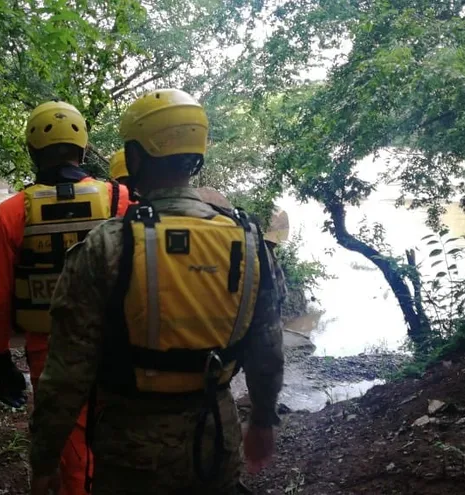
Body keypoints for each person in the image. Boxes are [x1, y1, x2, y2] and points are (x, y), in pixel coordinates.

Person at [29, 89, 285, 495]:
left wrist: (45, 459)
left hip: (132, 451)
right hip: (216, 440)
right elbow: (267, 349)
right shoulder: (250, 241)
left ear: (135, 157)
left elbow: (67, 372)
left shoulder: (108, 245)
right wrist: (263, 421)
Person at [0, 100, 131, 495]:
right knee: (113, 431)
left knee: (70, 442)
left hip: (47, 348)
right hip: (114, 344)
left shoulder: (12, 211)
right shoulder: (119, 199)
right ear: (82, 149)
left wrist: (0, 357)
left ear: (33, 152)